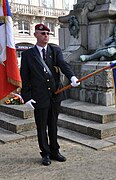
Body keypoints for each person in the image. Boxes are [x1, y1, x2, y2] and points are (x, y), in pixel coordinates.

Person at [20, 24, 80, 166]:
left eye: (47, 33)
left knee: (53, 125)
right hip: (39, 96)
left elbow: (62, 64)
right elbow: (25, 77)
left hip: (55, 95)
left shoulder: (55, 50)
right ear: (35, 35)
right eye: (42, 33)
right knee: (41, 126)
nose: (46, 35)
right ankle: (45, 153)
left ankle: (55, 151)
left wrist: (71, 76)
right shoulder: (28, 55)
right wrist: (26, 97)